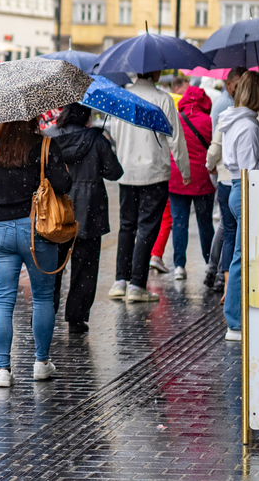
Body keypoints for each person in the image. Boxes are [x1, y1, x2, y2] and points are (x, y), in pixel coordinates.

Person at [0, 118, 72, 388]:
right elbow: (63, 184)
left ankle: (2, 370)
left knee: (3, 300)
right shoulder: (44, 145)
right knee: (43, 297)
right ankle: (41, 363)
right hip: (36, 228)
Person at [105, 70, 190, 303]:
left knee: (127, 226)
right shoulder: (163, 99)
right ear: (156, 72)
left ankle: (120, 280)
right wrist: (185, 170)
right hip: (154, 173)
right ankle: (137, 285)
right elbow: (176, 138)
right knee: (147, 228)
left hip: (127, 172)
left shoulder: (122, 97)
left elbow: (113, 132)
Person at [44, 104, 123, 332]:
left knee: (53, 267)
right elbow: (114, 172)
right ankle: (76, 318)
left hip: (57, 211)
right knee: (85, 267)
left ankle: (47, 312)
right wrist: (103, 146)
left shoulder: (49, 138)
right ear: (86, 116)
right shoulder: (97, 140)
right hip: (89, 211)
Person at [218, 72, 259, 342]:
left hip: (239, 190)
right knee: (243, 258)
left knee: (243, 256)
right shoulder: (248, 126)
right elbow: (250, 168)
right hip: (247, 191)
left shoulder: (236, 121)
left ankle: (238, 317)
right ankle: (235, 321)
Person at [158, 85, 216, 280]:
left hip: (177, 179)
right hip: (202, 178)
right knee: (205, 223)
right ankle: (210, 262)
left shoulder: (176, 119)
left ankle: (179, 266)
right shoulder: (208, 121)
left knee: (179, 222)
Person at [207, 68, 254, 284]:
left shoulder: (228, 114)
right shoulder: (231, 113)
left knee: (228, 231)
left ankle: (219, 276)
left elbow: (216, 149)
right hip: (235, 181)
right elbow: (217, 148)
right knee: (232, 235)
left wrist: (212, 164)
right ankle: (224, 280)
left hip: (229, 180)